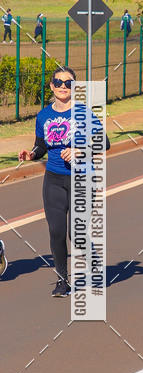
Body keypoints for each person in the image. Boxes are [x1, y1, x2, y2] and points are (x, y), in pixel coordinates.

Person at [18, 67, 109, 297]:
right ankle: (62, 281)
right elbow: (41, 146)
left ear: (74, 88)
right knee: (56, 231)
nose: (62, 87)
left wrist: (80, 150)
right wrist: (31, 154)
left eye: (68, 83)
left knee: (75, 233)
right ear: (51, 86)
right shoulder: (44, 116)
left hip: (82, 179)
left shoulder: (84, 113)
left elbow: (104, 143)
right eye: (58, 82)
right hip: (54, 180)